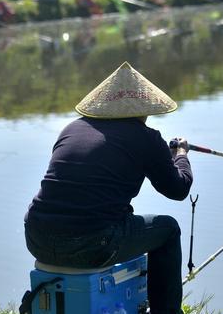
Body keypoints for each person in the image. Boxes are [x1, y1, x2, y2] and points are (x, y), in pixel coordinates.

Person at [24, 61, 193, 314]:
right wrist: (180, 154)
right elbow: (178, 189)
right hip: (93, 244)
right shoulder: (146, 137)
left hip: (37, 237)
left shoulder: (72, 128)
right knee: (168, 229)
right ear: (144, 109)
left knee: (117, 218)